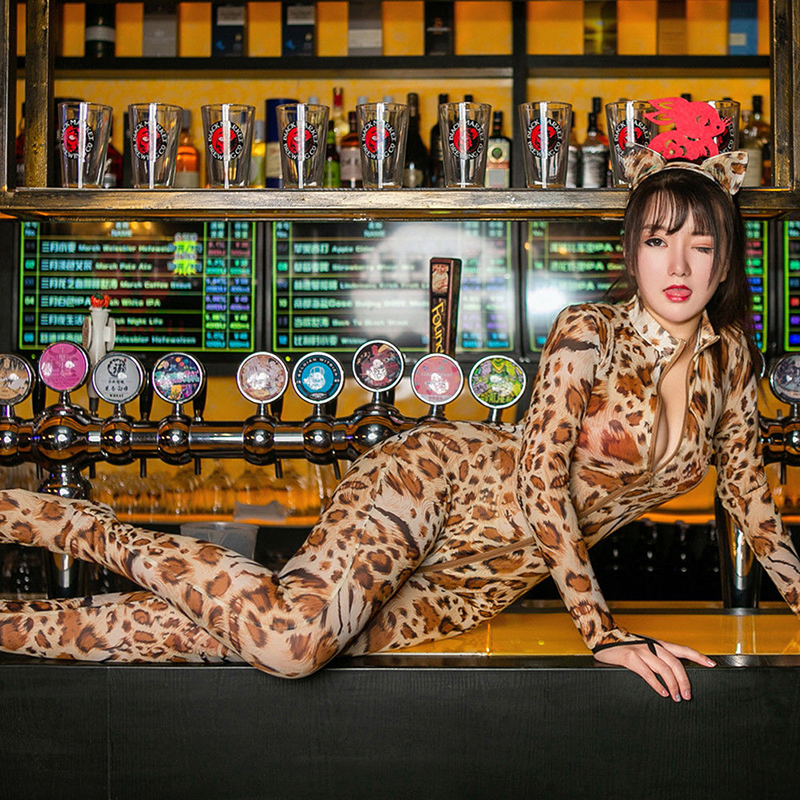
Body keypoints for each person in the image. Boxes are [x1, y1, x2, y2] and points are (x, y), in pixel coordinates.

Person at [1, 147, 799, 702]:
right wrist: (604, 632)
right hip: (432, 487)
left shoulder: (732, 361)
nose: (679, 266)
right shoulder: (589, 330)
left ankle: (13, 625)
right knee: (293, 645)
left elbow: (752, 504)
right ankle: (70, 525)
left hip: (481, 578)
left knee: (237, 637)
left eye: (701, 245)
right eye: (659, 241)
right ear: (633, 252)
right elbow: (539, 481)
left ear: (725, 260)